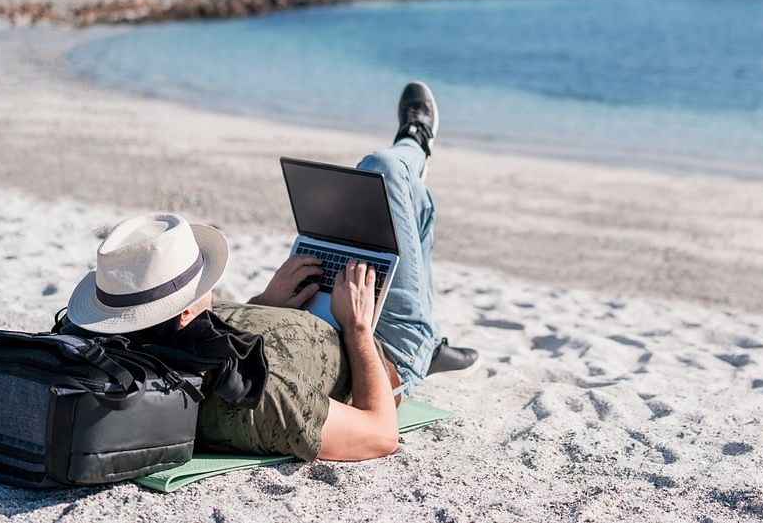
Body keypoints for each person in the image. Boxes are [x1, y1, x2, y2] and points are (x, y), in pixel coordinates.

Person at [63, 82, 476, 462]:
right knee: (384, 170)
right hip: (385, 349)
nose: (210, 284)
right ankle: (415, 142)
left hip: (320, 311)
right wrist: (358, 330)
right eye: (201, 279)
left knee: (396, 204)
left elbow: (216, 327)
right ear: (186, 311)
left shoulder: (140, 341)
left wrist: (265, 302)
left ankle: (414, 182)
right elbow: (380, 434)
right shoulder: (255, 388)